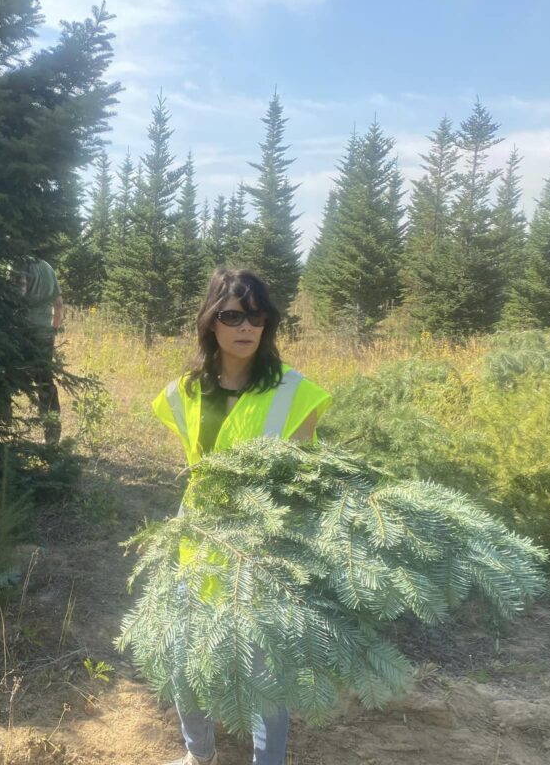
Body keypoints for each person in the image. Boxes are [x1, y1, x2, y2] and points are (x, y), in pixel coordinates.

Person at [152, 268, 332, 765]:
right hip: (196, 544)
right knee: (186, 658)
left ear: (268, 323)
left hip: (262, 551)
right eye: (232, 315)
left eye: (256, 315)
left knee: (264, 669)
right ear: (211, 322)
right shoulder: (183, 392)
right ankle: (198, 756)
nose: (245, 326)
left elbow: (301, 484)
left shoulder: (297, 393)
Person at [22, 256, 64, 445]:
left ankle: (2, 422)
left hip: (22, 333)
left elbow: (18, 297)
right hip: (45, 335)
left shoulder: (20, 264)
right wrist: (53, 330)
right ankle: (52, 435)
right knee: (45, 384)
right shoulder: (48, 266)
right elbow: (59, 304)